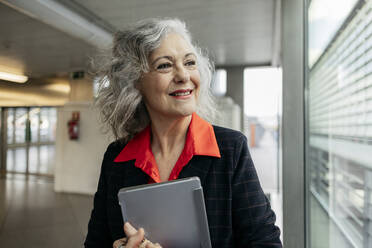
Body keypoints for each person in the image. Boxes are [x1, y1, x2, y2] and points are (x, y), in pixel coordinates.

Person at [84, 18, 282, 248]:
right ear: (135, 81)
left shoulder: (230, 148)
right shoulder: (116, 157)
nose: (183, 75)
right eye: (165, 65)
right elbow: (95, 243)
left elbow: (266, 243)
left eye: (189, 62)